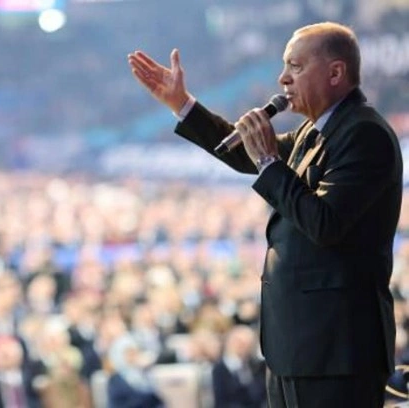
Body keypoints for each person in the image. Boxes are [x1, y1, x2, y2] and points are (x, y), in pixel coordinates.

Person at [128, 21, 402, 406]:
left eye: (295, 66)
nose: (282, 78)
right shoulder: (313, 132)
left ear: (335, 73)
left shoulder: (363, 134)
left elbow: (325, 223)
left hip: (336, 351)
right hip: (297, 347)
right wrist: (183, 104)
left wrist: (270, 162)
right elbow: (247, 154)